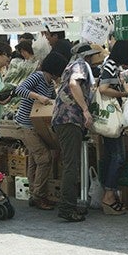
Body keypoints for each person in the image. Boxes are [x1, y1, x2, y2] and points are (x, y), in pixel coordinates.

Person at [52, 42, 104, 222]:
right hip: (70, 119)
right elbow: (74, 84)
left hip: (64, 119)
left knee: (71, 163)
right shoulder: (80, 65)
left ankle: (70, 205)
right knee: (71, 165)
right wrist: (85, 109)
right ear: (88, 56)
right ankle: (67, 208)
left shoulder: (71, 65)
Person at [14, 52, 69, 211]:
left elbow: (52, 102)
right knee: (44, 158)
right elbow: (19, 89)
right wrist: (38, 97)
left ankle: (34, 194)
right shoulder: (37, 76)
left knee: (34, 159)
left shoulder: (50, 84)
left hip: (37, 126)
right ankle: (39, 195)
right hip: (25, 125)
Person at [97, 40, 128, 215]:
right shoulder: (111, 65)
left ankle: (108, 193)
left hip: (114, 115)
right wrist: (124, 93)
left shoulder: (112, 64)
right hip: (112, 117)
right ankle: (108, 196)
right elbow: (103, 88)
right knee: (118, 156)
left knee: (111, 155)